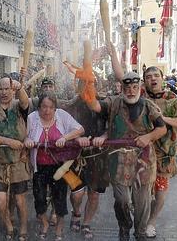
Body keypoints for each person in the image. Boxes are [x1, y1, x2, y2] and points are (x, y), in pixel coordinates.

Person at [86, 71, 167, 241]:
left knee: (142, 202)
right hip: (118, 159)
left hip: (143, 161)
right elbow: (94, 105)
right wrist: (88, 82)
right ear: (122, 88)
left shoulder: (148, 106)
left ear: (140, 88)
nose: (131, 91)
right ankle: (124, 225)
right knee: (121, 199)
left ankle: (140, 232)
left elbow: (162, 128)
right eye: (127, 87)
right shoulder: (114, 103)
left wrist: (148, 137)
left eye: (135, 87)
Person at [24, 91, 85, 241]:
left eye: (51, 107)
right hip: (39, 166)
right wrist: (27, 140)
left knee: (60, 198)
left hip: (60, 166)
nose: (47, 110)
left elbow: (80, 129)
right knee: (39, 198)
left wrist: (65, 137)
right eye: (44, 107)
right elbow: (24, 135)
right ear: (38, 108)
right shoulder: (32, 118)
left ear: (55, 108)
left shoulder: (62, 115)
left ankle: (59, 229)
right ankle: (44, 223)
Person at [0, 76, 31, 240]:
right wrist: (7, 141)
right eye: (0, 89)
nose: (3, 92)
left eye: (6, 89)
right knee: (0, 202)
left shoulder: (19, 106)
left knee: (20, 201)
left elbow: (25, 102)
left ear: (12, 90)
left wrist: (20, 88)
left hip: (18, 162)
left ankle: (23, 228)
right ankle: (9, 226)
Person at [141, 66, 177, 238]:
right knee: (142, 192)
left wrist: (162, 119)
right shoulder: (140, 98)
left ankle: (151, 222)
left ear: (162, 78)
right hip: (142, 153)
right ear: (144, 80)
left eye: (156, 76)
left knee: (160, 193)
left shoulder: (173, 99)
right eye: (148, 76)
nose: (152, 79)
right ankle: (141, 218)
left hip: (164, 154)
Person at [61, 81, 109, 240]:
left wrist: (104, 136)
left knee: (94, 193)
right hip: (72, 157)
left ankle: (86, 223)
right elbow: (60, 128)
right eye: (84, 84)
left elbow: (114, 126)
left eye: (91, 84)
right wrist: (76, 137)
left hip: (98, 156)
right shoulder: (69, 105)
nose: (87, 87)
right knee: (77, 194)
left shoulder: (105, 104)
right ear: (78, 86)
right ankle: (76, 213)